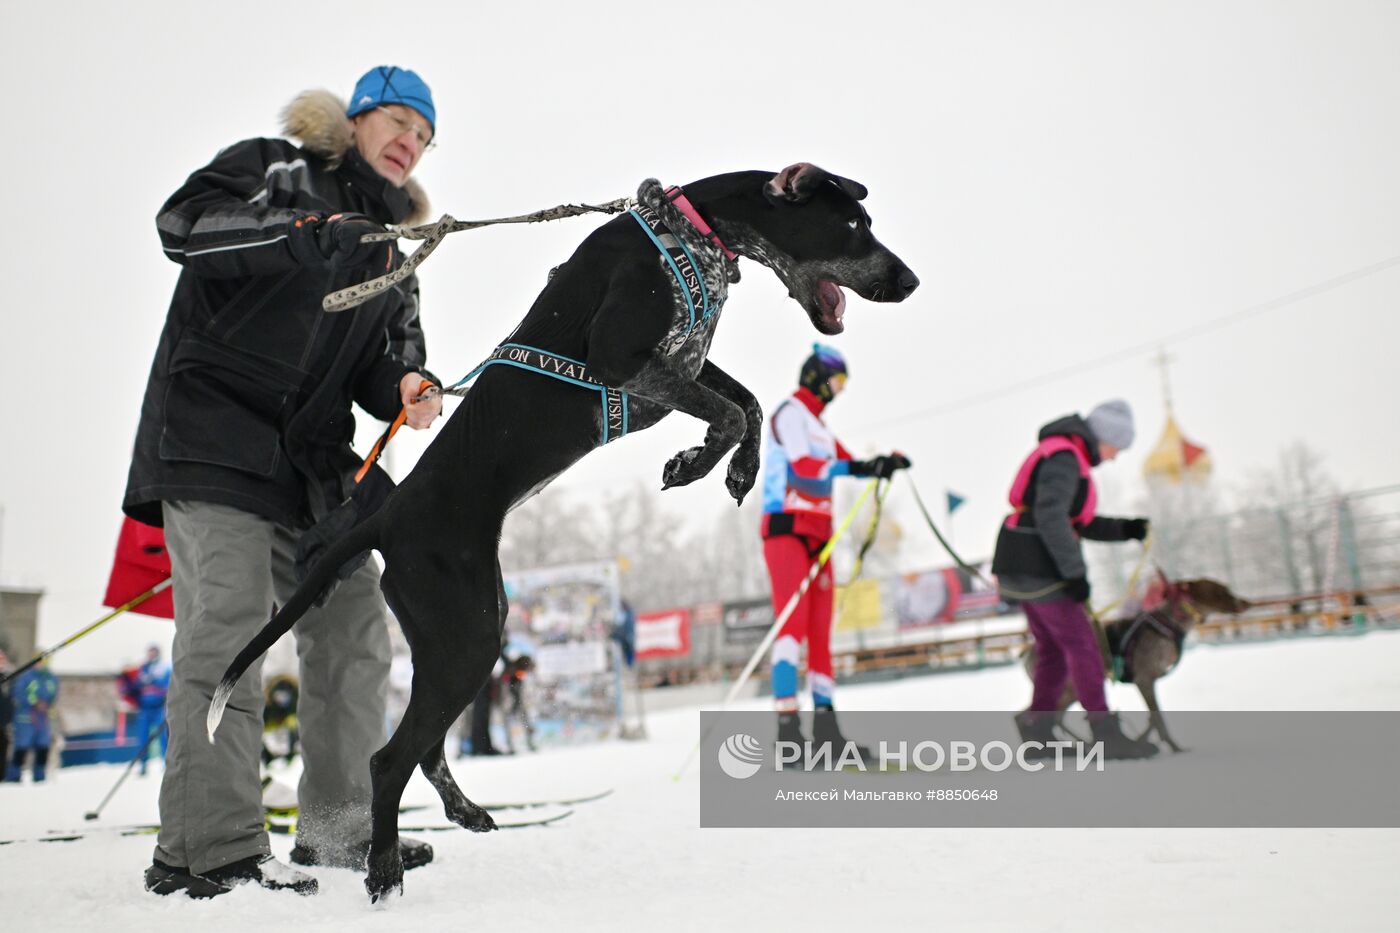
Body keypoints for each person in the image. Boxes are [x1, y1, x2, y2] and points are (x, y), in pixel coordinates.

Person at [122, 66, 446, 898]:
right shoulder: (275, 167)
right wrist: (304, 230)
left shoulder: (392, 251)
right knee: (226, 634)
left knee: (354, 628)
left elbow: (390, 360)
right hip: (214, 436)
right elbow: (184, 226)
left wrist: (408, 388)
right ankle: (210, 850)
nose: (411, 140)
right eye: (400, 120)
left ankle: (339, 831)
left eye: (426, 133)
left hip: (313, 469)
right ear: (358, 119)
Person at [759, 345, 910, 752]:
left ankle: (827, 732)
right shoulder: (790, 414)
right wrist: (859, 468)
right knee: (791, 630)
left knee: (820, 634)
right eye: (836, 381)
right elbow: (805, 466)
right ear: (815, 376)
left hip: (819, 535)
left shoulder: (821, 428)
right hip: (787, 529)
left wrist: (882, 463)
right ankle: (788, 733)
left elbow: (848, 462)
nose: (838, 391)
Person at [991, 399, 1157, 759]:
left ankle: (1039, 732)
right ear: (1104, 436)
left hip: (1020, 560)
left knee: (1053, 650)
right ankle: (1105, 733)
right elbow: (1051, 518)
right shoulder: (1065, 458)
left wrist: (1125, 529)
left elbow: (1072, 520)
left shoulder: (1065, 454)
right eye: (1118, 447)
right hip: (1038, 565)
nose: (1114, 457)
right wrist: (1074, 575)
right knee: (1083, 647)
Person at [5, 658, 59, 783]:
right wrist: (34, 702)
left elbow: (54, 693)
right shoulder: (26, 677)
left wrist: (47, 704)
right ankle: (14, 776)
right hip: (25, 718)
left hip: (43, 718)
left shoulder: (50, 678)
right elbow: (19, 694)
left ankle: (40, 776)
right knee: (21, 747)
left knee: (43, 747)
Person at [125, 645, 171, 776]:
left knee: (163, 737)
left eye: (154, 653)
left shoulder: (165, 667)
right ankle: (143, 765)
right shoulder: (142, 668)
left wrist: (154, 681)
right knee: (143, 738)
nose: (151, 655)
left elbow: (168, 685)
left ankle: (166, 764)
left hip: (159, 708)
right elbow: (134, 685)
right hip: (144, 708)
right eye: (150, 653)